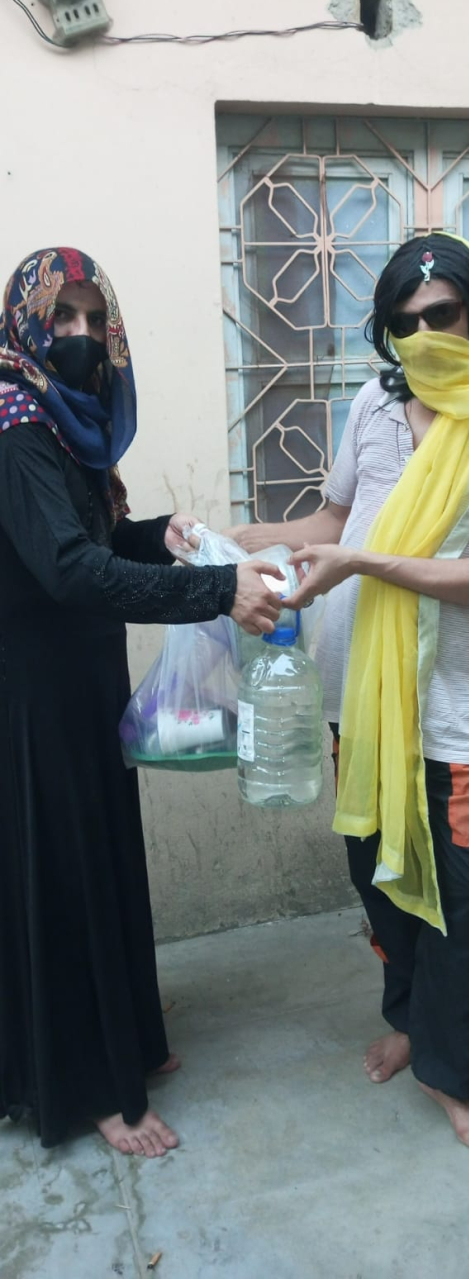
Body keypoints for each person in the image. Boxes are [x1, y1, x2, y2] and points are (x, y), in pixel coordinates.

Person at [218, 233, 469, 1160]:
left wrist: (359, 564)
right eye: (402, 324)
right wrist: (234, 536)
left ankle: (457, 1075)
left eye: (441, 317)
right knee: (381, 888)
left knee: (463, 904)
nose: (422, 337)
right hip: (358, 705)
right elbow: (333, 522)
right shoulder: (373, 407)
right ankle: (415, 1026)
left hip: (459, 720)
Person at [0, 246, 283, 1157]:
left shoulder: (59, 424)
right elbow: (69, 570)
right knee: (67, 875)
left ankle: (129, 1039)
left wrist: (156, 534)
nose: (81, 336)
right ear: (29, 325)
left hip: (85, 682)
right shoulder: (13, 426)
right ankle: (89, 1085)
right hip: (33, 696)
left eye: (94, 319)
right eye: (64, 319)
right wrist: (215, 591)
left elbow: (92, 538)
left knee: (107, 858)